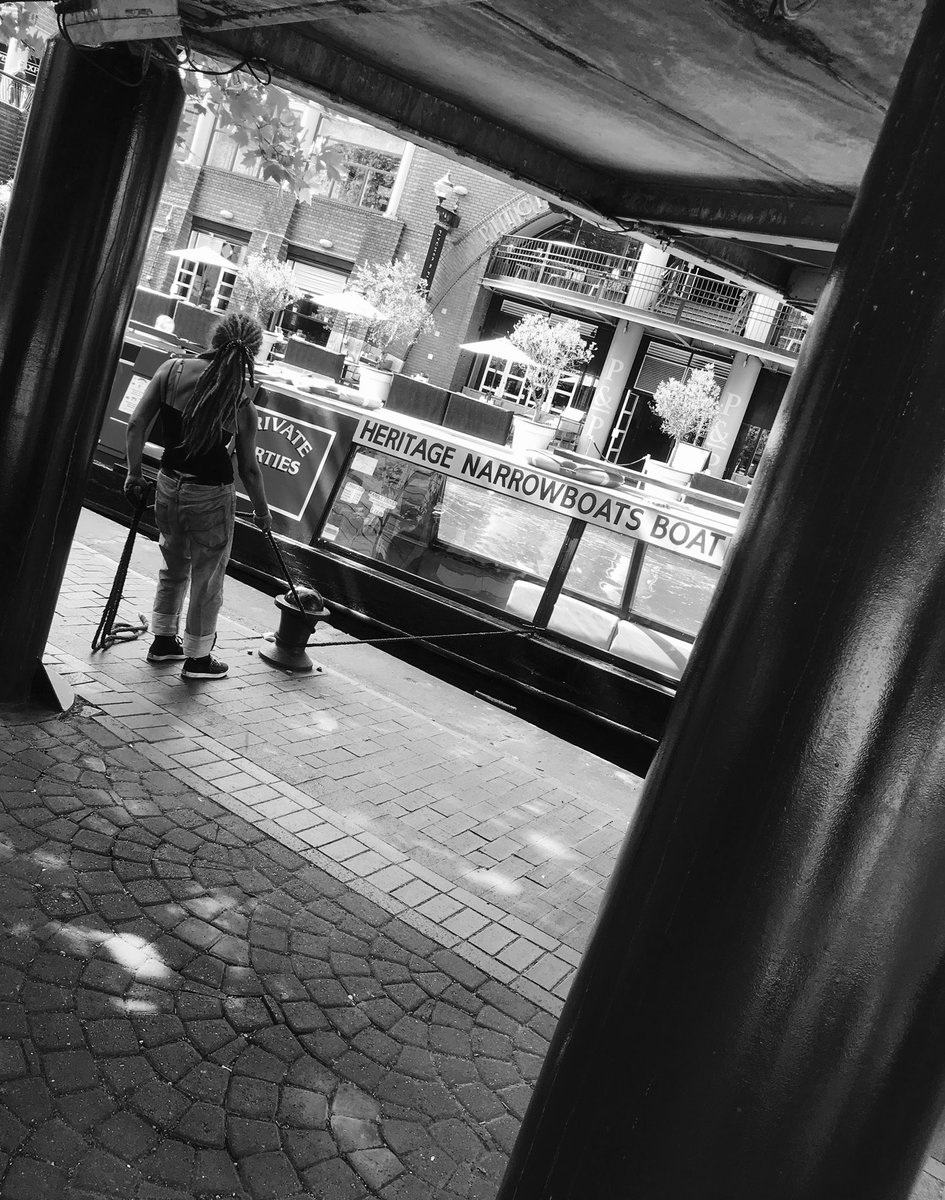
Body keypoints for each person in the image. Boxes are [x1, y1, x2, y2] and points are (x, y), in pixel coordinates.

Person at [124, 311, 272, 680]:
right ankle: (198, 659)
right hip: (211, 497)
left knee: (173, 566)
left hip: (168, 484)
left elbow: (136, 423)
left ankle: (163, 641)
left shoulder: (172, 370)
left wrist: (133, 474)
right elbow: (249, 470)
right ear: (251, 353)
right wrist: (262, 512)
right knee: (208, 580)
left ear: (214, 337)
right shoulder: (241, 404)